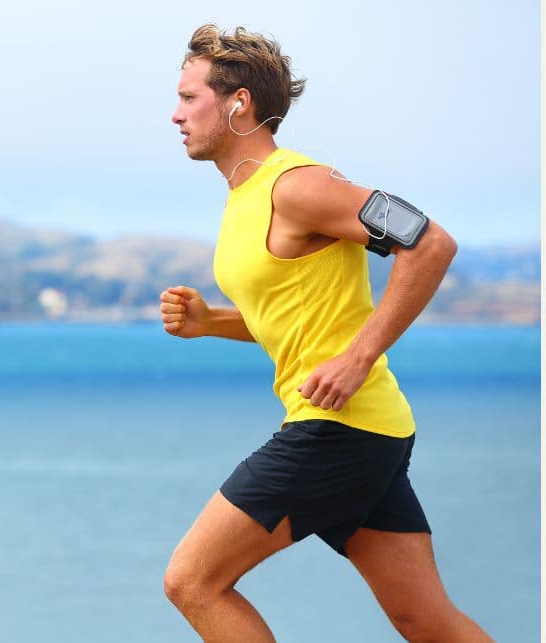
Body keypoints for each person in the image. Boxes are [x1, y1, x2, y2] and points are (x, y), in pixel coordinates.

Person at [159, 24, 492, 642]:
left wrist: (360, 357)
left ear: (238, 103)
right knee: (427, 622)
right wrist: (213, 324)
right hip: (371, 431)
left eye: (188, 97)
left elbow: (431, 242)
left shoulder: (300, 184)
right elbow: (302, 319)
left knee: (193, 581)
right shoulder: (245, 197)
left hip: (334, 430)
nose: (174, 114)